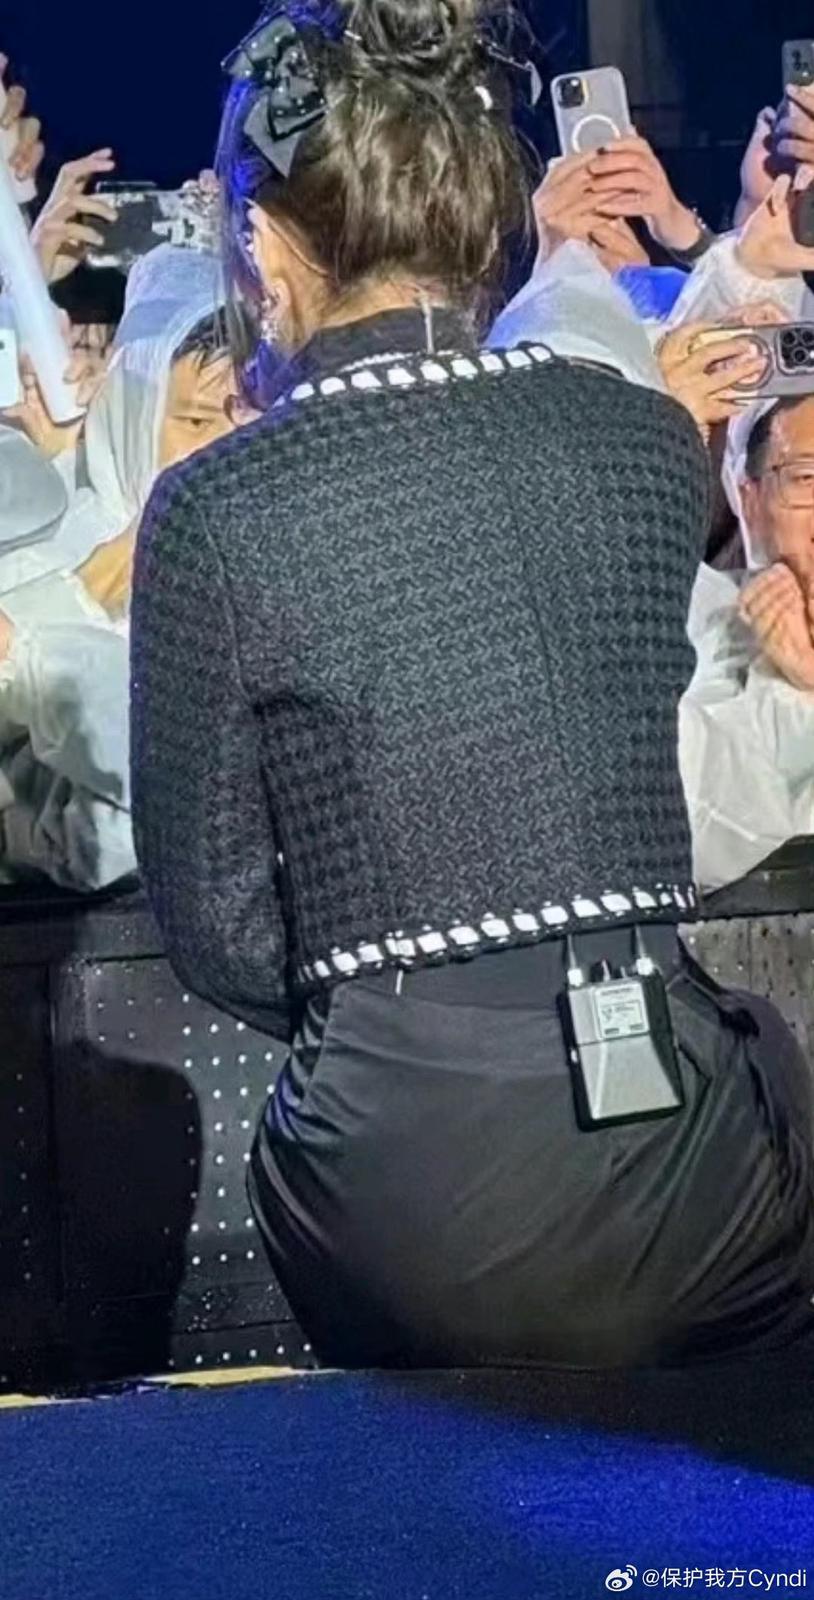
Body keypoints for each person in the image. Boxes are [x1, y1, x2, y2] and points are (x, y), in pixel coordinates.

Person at [131, 0, 814, 1370]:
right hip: (680, 1150)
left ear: (262, 245)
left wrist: (401, 996)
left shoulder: (213, 508)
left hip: (398, 1182)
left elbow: (219, 931)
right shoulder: (641, 442)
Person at [0, 246, 235, 889]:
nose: (222, 452)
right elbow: (104, 835)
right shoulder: (36, 544)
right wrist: (101, 580)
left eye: (246, 420)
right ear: (134, 415)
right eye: (195, 420)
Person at [682, 394, 814, 890]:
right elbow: (696, 838)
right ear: (751, 502)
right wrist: (792, 692)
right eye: (806, 478)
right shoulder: (695, 620)